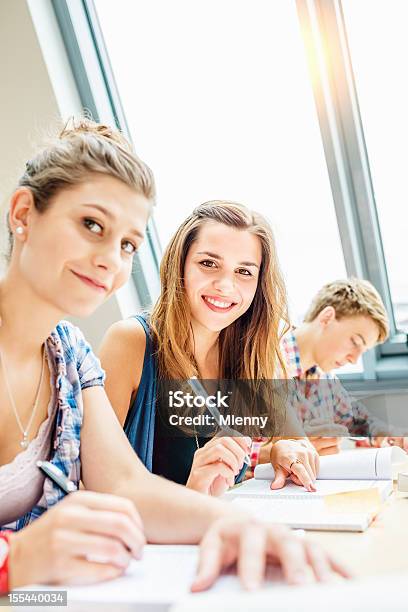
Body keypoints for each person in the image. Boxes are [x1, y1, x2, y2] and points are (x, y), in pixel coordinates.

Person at [0, 120, 346, 593]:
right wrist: (14, 562)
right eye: (91, 225)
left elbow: (124, 484)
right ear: (23, 213)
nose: (110, 260)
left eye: (127, 244)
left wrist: (242, 526)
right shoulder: (129, 342)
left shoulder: (69, 353)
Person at [100, 201, 320, 497]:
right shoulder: (131, 342)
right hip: (153, 539)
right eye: (208, 263)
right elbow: (92, 490)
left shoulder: (249, 354)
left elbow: (298, 441)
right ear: (180, 264)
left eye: (244, 271)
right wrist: (192, 492)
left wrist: (283, 448)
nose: (225, 286)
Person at [253, 278, 405, 474]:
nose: (354, 359)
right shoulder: (261, 358)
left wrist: (394, 437)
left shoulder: (325, 381)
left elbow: (358, 421)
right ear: (326, 318)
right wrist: (286, 453)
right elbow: (212, 450)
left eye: (363, 351)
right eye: (355, 342)